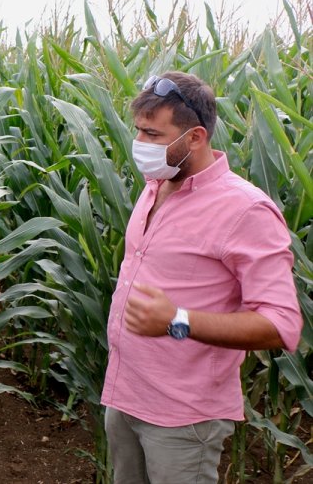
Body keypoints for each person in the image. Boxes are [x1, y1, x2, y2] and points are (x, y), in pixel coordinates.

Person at [101, 72, 302, 483]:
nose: (141, 144)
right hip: (124, 397)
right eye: (139, 131)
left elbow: (282, 324)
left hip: (182, 418)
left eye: (154, 134)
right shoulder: (155, 185)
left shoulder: (245, 211)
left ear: (195, 137)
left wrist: (178, 319)